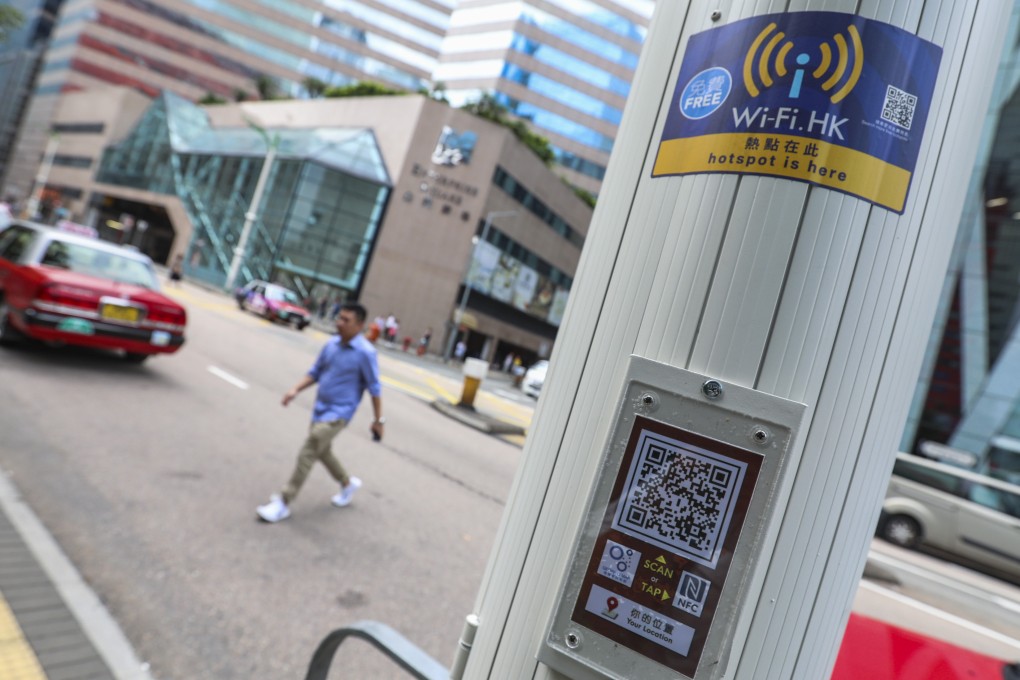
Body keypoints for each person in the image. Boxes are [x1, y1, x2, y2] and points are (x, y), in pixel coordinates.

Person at [256, 302, 385, 523]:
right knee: (322, 451)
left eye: (346, 320)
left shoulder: (365, 353)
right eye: (339, 318)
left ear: (360, 325)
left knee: (310, 448)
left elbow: (374, 388)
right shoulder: (332, 344)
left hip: (339, 414)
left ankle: (284, 502)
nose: (340, 323)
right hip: (320, 410)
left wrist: (378, 420)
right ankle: (347, 483)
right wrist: (295, 389)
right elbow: (315, 372)